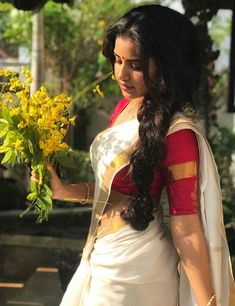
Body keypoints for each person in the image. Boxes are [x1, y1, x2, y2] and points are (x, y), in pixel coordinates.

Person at [41, 4, 234, 306]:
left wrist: (209, 302)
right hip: (102, 256)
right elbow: (119, 192)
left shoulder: (178, 135)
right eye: (117, 60)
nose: (121, 74)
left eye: (135, 64)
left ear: (166, 65)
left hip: (139, 268)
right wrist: (65, 190)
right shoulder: (126, 107)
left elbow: (187, 229)